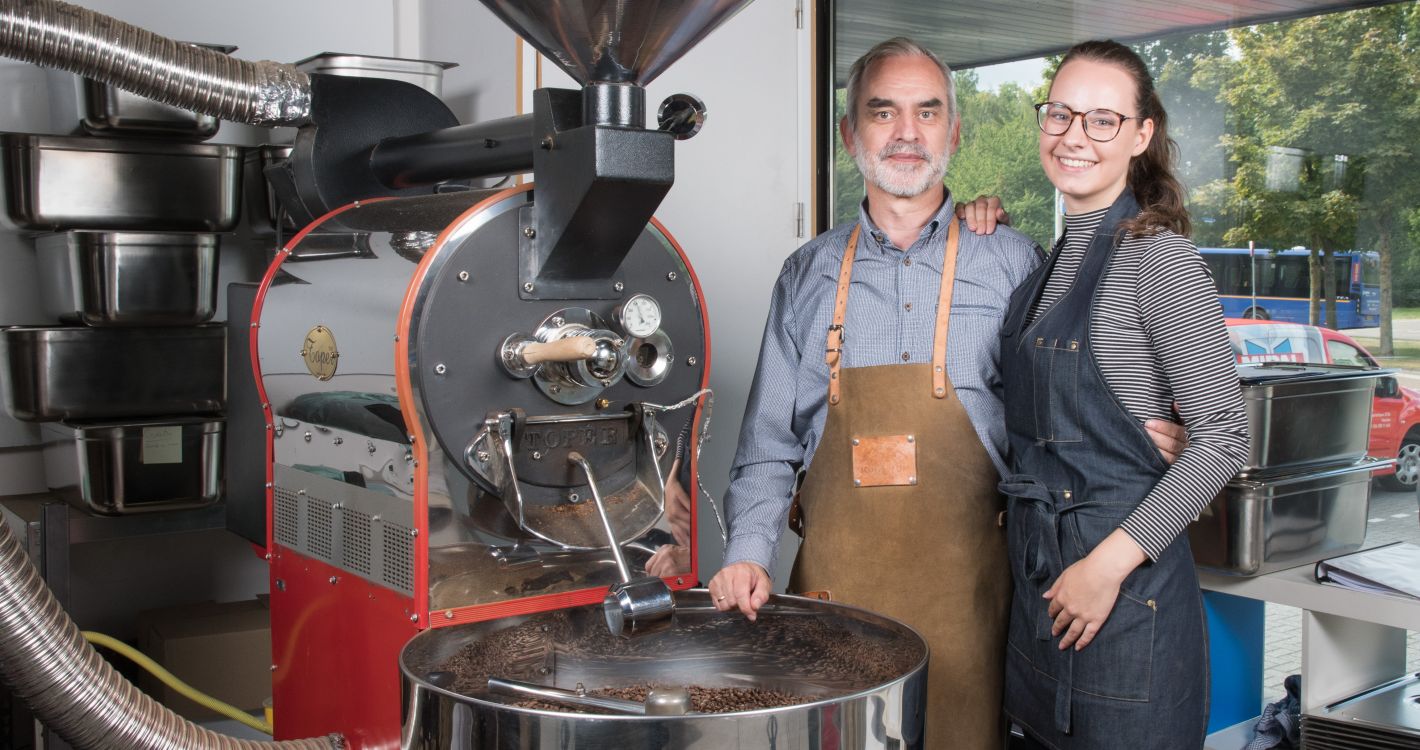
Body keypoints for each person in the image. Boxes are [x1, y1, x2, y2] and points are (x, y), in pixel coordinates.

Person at [706, 37, 1188, 749]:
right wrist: (746, 551)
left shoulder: (1014, 260)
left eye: (928, 112)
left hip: (979, 611)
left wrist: (1127, 432)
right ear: (850, 134)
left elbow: (1069, 399)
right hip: (839, 608)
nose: (907, 133)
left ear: (954, 133)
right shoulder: (806, 275)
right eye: (883, 112)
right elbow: (770, 442)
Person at [983, 40, 1249, 749]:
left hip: (1124, 602)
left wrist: (1104, 569)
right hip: (1042, 596)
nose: (1074, 136)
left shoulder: (1158, 257)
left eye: (1102, 120)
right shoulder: (1045, 260)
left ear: (1140, 135)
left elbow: (1225, 436)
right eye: (1061, 114)